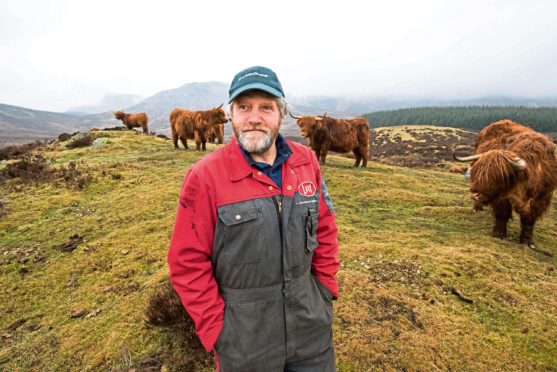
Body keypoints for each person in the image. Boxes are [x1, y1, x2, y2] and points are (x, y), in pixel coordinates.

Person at [167, 66, 340, 372]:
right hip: (243, 341)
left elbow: (325, 228)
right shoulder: (204, 177)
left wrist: (324, 292)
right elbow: (186, 261)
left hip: (311, 332)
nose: (255, 117)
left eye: (266, 107)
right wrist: (217, 329)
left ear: (281, 115)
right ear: (232, 114)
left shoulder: (306, 162)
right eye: (244, 107)